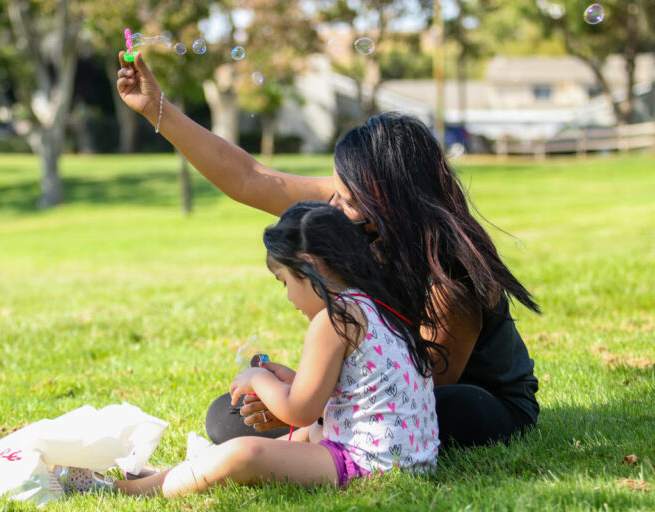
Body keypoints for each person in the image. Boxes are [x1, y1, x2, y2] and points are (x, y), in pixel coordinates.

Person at [116, 52, 541, 448]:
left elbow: (417, 388)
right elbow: (248, 177)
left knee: (457, 407)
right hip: (377, 389)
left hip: (459, 397)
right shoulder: (351, 205)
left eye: (348, 199)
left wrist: (309, 401)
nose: (333, 206)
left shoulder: (451, 275)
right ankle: (319, 430)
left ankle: (319, 435)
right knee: (226, 418)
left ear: (392, 205)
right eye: (335, 190)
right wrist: (157, 108)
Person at [116, 202, 440, 497]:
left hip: (367, 464)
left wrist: (259, 379)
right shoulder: (376, 306)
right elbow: (359, 393)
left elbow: (299, 411)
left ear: (311, 266)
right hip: (413, 460)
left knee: (244, 454)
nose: (288, 297)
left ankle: (128, 490)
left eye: (284, 281)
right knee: (301, 436)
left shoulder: (335, 318)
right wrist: (294, 380)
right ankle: (173, 475)